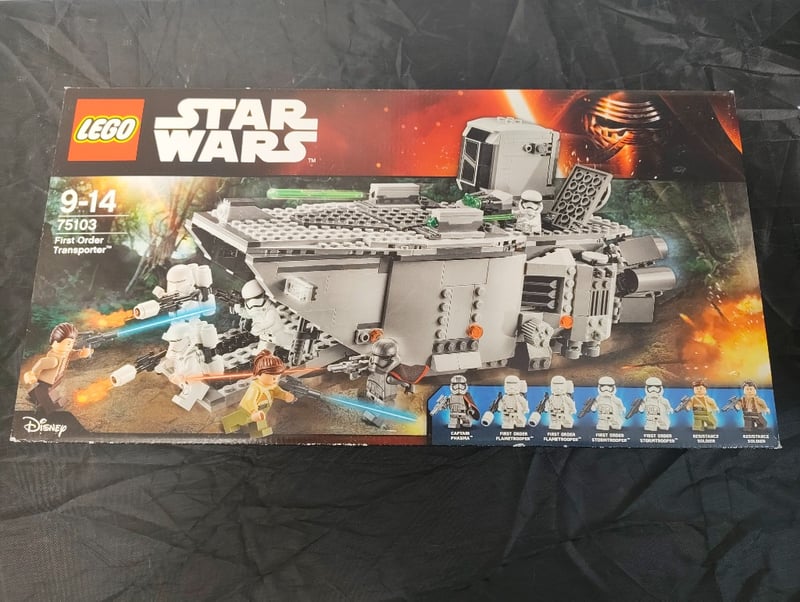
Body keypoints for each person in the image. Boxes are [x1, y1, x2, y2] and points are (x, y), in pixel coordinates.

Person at [221, 350, 296, 438]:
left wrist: (286, 396)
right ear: (259, 374)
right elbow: (250, 401)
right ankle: (228, 423)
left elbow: (279, 392)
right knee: (242, 419)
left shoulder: (272, 386)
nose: (275, 379)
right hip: (248, 410)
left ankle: (258, 432)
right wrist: (254, 412)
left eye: (277, 376)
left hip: (262, 408)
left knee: (259, 420)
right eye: (272, 376)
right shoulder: (256, 387)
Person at [24, 322, 93, 413]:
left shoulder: (65, 354)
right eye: (68, 343)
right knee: (46, 400)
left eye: (72, 343)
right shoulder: (53, 360)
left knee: (54, 394)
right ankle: (48, 411)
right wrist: (32, 374)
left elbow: (72, 355)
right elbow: (40, 363)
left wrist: (81, 353)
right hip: (45, 384)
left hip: (55, 380)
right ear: (55, 342)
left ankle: (32, 396)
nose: (70, 346)